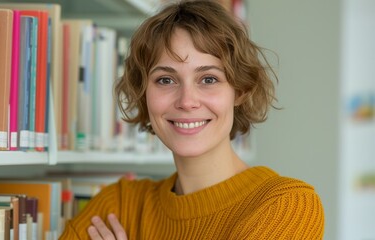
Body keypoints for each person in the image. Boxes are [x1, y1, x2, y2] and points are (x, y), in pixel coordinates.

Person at [59, 0, 325, 239]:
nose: (187, 101)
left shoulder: (285, 206)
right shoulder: (119, 205)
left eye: (208, 79)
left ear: (240, 91)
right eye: (166, 79)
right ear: (144, 93)